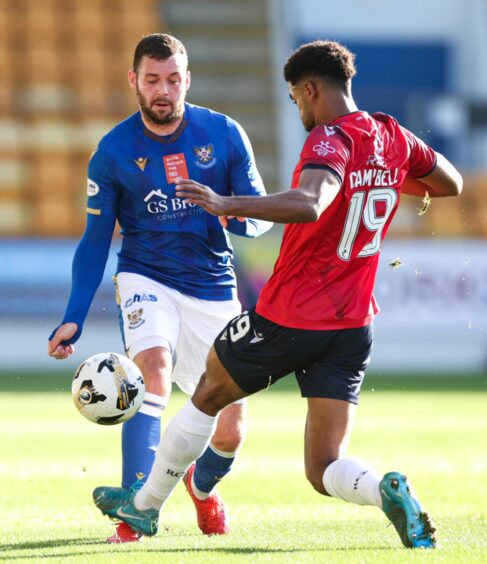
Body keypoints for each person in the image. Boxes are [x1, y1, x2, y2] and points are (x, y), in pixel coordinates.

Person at [92, 40, 463, 548]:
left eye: (296, 99)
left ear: (311, 89)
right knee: (323, 466)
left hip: (293, 314)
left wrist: (226, 201)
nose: (299, 110)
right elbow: (451, 184)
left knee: (208, 394)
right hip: (354, 324)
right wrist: (388, 178)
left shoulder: (329, 140)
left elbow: (311, 203)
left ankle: (143, 508)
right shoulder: (391, 135)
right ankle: (384, 489)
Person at [48, 33, 272, 543]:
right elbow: (94, 241)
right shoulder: (113, 152)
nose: (163, 90)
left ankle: (202, 486)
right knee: (152, 373)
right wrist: (74, 315)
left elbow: (259, 219)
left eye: (173, 79)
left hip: (214, 287)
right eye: (153, 80)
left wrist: (224, 207)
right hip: (145, 275)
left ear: (187, 80)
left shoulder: (224, 133)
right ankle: (134, 513)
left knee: (231, 429)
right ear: (134, 82)